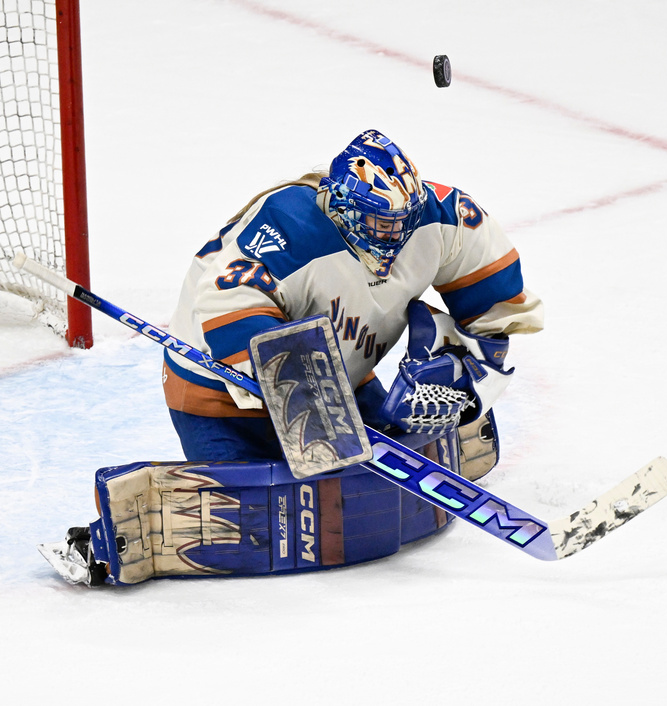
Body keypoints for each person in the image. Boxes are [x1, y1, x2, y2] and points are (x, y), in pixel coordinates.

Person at [39, 128, 544, 586]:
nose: (391, 236)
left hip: (344, 380)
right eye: (376, 221)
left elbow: (497, 305)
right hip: (218, 395)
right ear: (341, 206)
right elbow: (227, 302)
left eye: (399, 223)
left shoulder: (442, 217)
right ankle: (103, 545)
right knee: (256, 525)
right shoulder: (286, 224)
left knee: (358, 485)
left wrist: (465, 383)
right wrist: (308, 402)